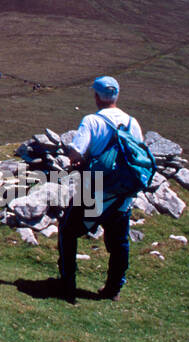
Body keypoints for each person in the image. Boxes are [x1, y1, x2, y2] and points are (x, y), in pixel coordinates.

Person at [52, 75, 144, 303]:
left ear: (96, 96)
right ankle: (113, 289)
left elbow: (76, 150)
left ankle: (67, 282)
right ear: (117, 96)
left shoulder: (92, 121)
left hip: (93, 192)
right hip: (122, 195)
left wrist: (78, 161)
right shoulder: (133, 123)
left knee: (68, 231)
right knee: (119, 242)